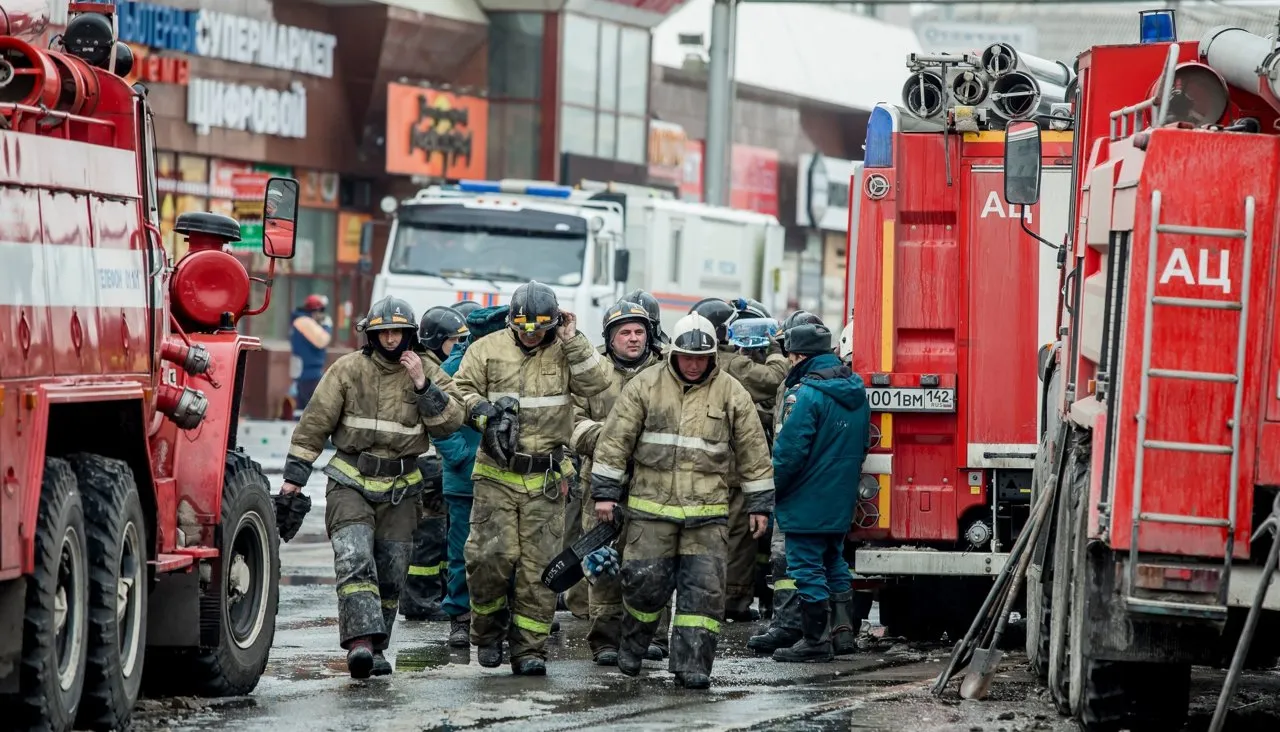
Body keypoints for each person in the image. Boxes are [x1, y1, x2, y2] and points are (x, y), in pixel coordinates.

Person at [280, 296, 465, 678]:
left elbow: (451, 422)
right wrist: (292, 481)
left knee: (391, 572)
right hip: (350, 481)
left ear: (410, 334)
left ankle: (377, 647)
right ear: (372, 335)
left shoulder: (428, 369)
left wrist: (423, 385)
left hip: (401, 490)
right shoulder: (347, 370)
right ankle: (360, 643)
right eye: (384, 331)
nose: (392, 338)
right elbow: (313, 425)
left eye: (398, 331)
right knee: (354, 559)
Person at [589, 313, 775, 689]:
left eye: (702, 358)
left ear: (712, 357)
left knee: (703, 596)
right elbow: (614, 441)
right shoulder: (645, 386)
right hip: (650, 512)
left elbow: (754, 449)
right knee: (643, 585)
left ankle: (693, 666)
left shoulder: (731, 392)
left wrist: (759, 505)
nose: (694, 365)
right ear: (673, 353)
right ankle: (633, 645)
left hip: (707, 517)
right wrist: (605, 495)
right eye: (687, 357)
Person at [453, 281, 611, 675]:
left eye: (540, 328)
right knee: (490, 557)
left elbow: (600, 387)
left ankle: (530, 650)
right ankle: (488, 634)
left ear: (556, 322)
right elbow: (460, 392)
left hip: (546, 479)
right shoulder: (486, 350)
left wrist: (574, 342)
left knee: (539, 569)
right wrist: (484, 410)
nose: (531, 335)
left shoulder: (566, 350)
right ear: (512, 321)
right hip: (496, 474)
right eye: (524, 328)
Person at [570, 300, 669, 666]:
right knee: (603, 566)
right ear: (610, 339)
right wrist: (614, 439)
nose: (633, 339)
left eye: (639, 332)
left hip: (652, 483)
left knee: (650, 562)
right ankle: (605, 640)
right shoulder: (590, 371)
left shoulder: (666, 371)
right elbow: (572, 421)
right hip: (599, 485)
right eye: (624, 332)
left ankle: (651, 636)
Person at [769, 323, 870, 662]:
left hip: (806, 499)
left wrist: (771, 490)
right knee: (834, 561)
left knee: (806, 566)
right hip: (840, 497)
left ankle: (815, 640)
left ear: (797, 356)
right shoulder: (855, 392)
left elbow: (789, 452)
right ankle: (843, 634)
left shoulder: (805, 395)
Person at [690, 297, 789, 622]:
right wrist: (774, 347)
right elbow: (776, 378)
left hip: (700, 469)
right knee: (737, 537)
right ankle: (732, 600)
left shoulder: (685, 361)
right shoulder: (732, 363)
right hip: (730, 470)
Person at [749, 310, 825, 654]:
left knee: (795, 557)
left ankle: (801, 629)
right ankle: (787, 624)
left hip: (799, 484)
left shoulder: (809, 387)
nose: (788, 356)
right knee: (783, 559)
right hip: (792, 483)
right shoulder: (790, 385)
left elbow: (795, 441)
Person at [435, 305, 510, 648]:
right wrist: (464, 459)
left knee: (507, 550)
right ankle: (461, 617)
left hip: (507, 480)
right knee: (463, 551)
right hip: (465, 481)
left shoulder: (515, 366)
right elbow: (436, 420)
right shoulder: (452, 369)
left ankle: (503, 615)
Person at [400, 306, 472, 622]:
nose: (461, 345)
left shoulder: (443, 369)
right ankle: (418, 599)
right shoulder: (426, 371)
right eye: (455, 340)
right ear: (436, 340)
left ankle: (438, 594)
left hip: (439, 464)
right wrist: (456, 456)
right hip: (429, 464)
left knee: (443, 537)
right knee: (427, 536)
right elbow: (436, 422)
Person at [290, 294, 332, 412]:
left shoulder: (301, 321)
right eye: (321, 310)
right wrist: (327, 327)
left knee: (303, 411)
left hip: (305, 374)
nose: (322, 315)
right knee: (314, 412)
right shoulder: (304, 322)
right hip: (309, 375)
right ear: (315, 311)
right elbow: (322, 340)